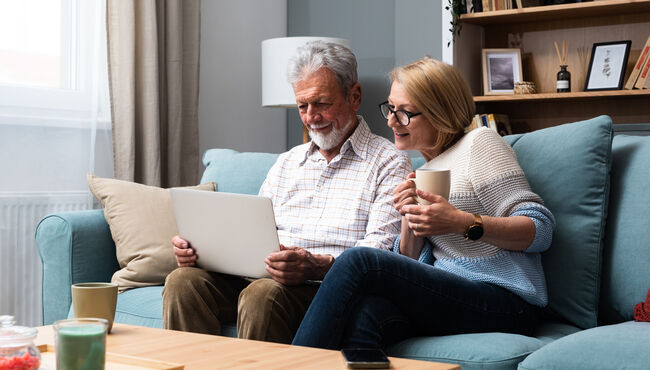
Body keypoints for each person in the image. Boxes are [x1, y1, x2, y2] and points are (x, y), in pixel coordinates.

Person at [292, 58, 556, 350]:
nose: (391, 121)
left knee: (359, 260)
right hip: (449, 293)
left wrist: (459, 222)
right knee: (366, 316)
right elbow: (409, 261)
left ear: (440, 113)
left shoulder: (480, 144)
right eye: (391, 109)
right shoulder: (424, 170)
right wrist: (409, 217)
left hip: (507, 300)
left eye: (404, 113)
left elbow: (540, 229)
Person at [161, 41, 412, 344]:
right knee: (182, 282)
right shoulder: (288, 162)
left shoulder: (388, 161)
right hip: (262, 276)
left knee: (263, 295)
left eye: (321, 103)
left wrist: (316, 265)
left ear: (354, 96)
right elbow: (249, 231)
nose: (311, 117)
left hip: (325, 288)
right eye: (302, 106)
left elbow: (378, 255)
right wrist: (202, 251)